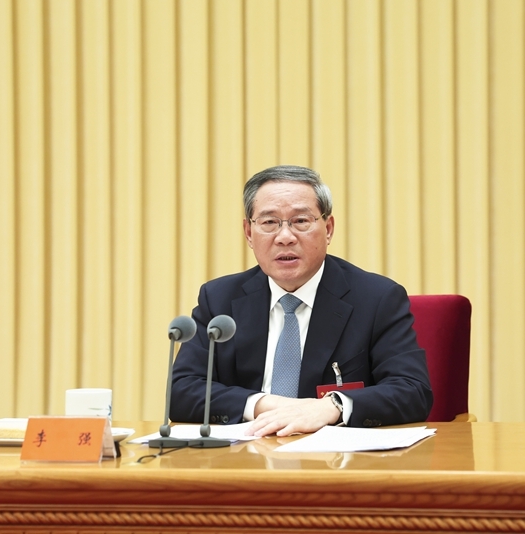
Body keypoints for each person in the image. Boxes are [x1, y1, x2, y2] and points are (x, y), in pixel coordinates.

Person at [169, 165, 432, 437]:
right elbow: (181, 391)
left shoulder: (376, 298)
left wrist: (332, 406)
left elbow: (412, 390)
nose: (285, 237)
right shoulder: (220, 299)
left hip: (336, 458)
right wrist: (265, 405)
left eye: (301, 221)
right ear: (248, 233)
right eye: (269, 223)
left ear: (328, 229)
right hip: (245, 452)